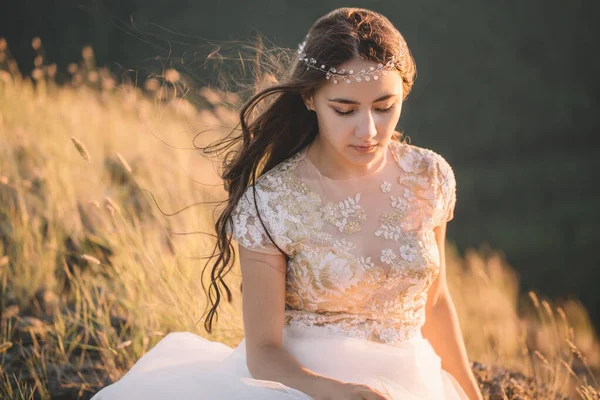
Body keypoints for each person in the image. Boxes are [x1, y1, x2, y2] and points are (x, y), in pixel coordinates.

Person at [92, 7, 483, 400]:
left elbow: (435, 304)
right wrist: (334, 392)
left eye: (384, 107)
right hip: (300, 386)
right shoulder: (271, 203)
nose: (369, 130)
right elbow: (262, 353)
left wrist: (473, 395)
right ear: (310, 98)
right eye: (345, 110)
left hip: (415, 382)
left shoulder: (428, 176)